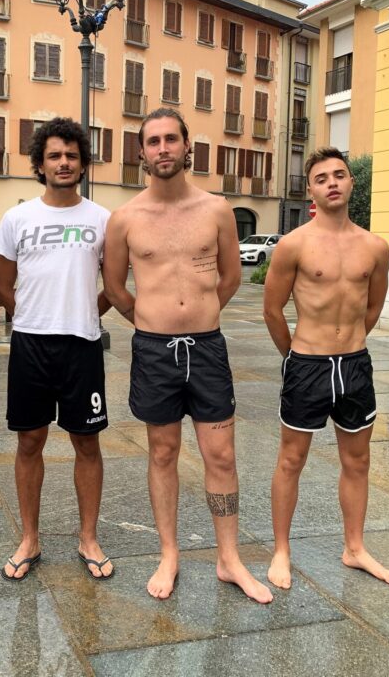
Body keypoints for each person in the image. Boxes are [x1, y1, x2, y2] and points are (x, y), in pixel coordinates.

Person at [103, 108, 272, 603]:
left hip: (208, 348)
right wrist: (154, 324)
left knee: (221, 453)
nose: (162, 149)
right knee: (163, 452)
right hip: (154, 351)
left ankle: (229, 557)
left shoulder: (216, 209)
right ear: (142, 153)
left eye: (170, 139)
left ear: (186, 148)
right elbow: (114, 287)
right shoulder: (126, 218)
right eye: (152, 141)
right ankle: (169, 552)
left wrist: (199, 316)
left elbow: (231, 276)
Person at [262, 146, 389, 590]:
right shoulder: (293, 244)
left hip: (355, 365)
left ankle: (354, 547)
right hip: (307, 364)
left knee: (357, 460)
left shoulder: (375, 247)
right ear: (311, 190)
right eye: (322, 178)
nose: (333, 182)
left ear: (351, 182)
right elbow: (272, 310)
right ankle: (281, 550)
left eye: (340, 175)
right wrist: (294, 355)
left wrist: (351, 343)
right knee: (291, 459)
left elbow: (373, 305)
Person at [0, 117, 114, 582]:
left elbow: (116, 283)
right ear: (40, 165)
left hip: (81, 346)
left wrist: (88, 310)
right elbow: (3, 286)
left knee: (87, 441)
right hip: (31, 346)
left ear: (82, 162)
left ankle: (88, 537)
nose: (63, 163)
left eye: (71, 155)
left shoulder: (102, 219)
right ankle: (30, 538)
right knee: (30, 440)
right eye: (53, 156)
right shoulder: (18, 218)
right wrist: (33, 315)